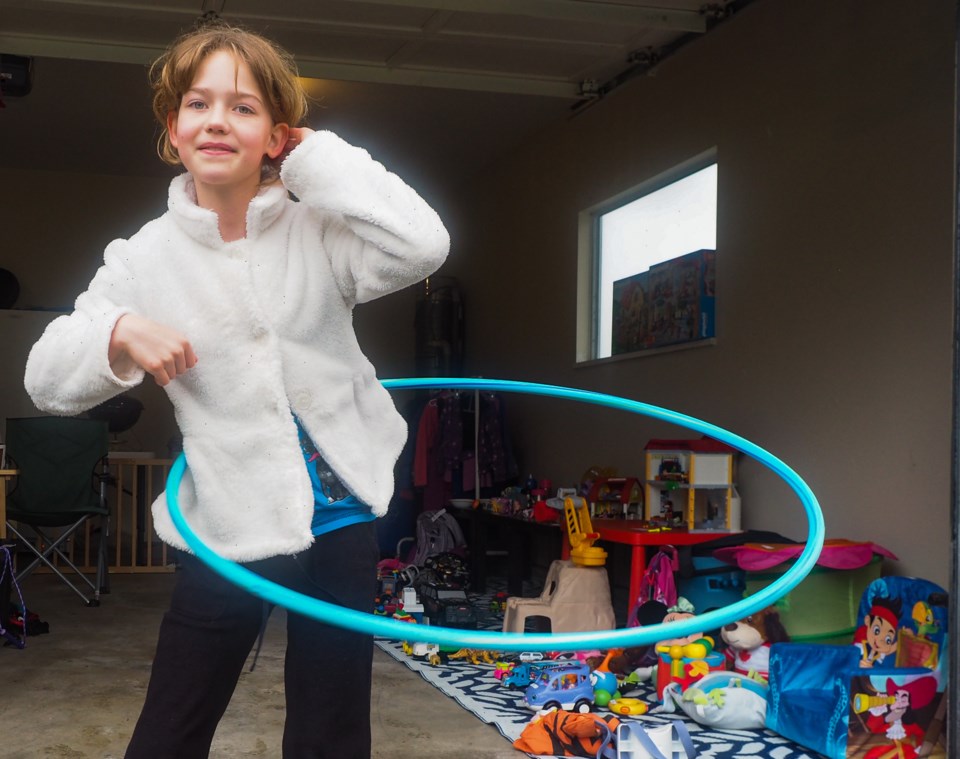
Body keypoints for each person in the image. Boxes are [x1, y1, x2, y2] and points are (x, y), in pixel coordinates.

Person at [23, 19, 449, 759]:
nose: (218, 118)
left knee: (331, 728)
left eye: (245, 107)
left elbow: (423, 244)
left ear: (277, 136)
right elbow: (46, 379)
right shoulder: (141, 259)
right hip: (228, 524)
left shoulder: (318, 227)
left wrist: (318, 159)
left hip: (344, 516)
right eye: (198, 103)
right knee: (171, 727)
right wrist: (118, 330)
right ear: (173, 127)